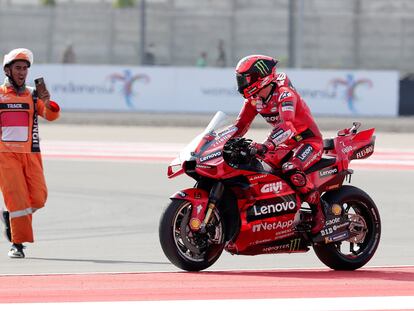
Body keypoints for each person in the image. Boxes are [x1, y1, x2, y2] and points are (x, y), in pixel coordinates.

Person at [232, 54, 326, 235]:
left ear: (260, 77)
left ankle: (318, 211)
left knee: (291, 168)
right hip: (284, 144)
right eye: (240, 79)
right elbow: (240, 126)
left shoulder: (284, 93)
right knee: (254, 165)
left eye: (245, 79)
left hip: (308, 141)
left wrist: (266, 145)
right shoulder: (254, 99)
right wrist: (218, 141)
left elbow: (288, 126)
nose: (241, 83)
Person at [0, 48, 60, 258]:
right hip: (5, 156)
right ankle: (17, 244)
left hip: (31, 153)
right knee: (18, 202)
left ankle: (9, 218)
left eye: (25, 68)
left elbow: (51, 115)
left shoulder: (33, 95)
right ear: (7, 70)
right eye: (18, 68)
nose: (22, 72)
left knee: (38, 198)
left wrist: (48, 101)